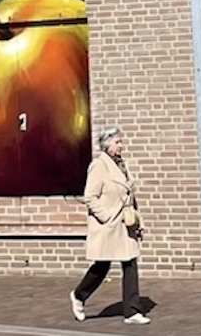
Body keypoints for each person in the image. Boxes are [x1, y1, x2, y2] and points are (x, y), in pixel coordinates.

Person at [70, 126, 149, 325]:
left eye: (120, 142)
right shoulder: (99, 166)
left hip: (125, 223)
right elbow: (90, 196)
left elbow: (130, 196)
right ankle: (79, 295)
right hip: (108, 225)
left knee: (130, 263)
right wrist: (106, 216)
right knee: (102, 266)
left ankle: (132, 311)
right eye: (117, 142)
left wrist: (139, 222)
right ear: (107, 145)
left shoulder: (122, 165)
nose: (121, 146)